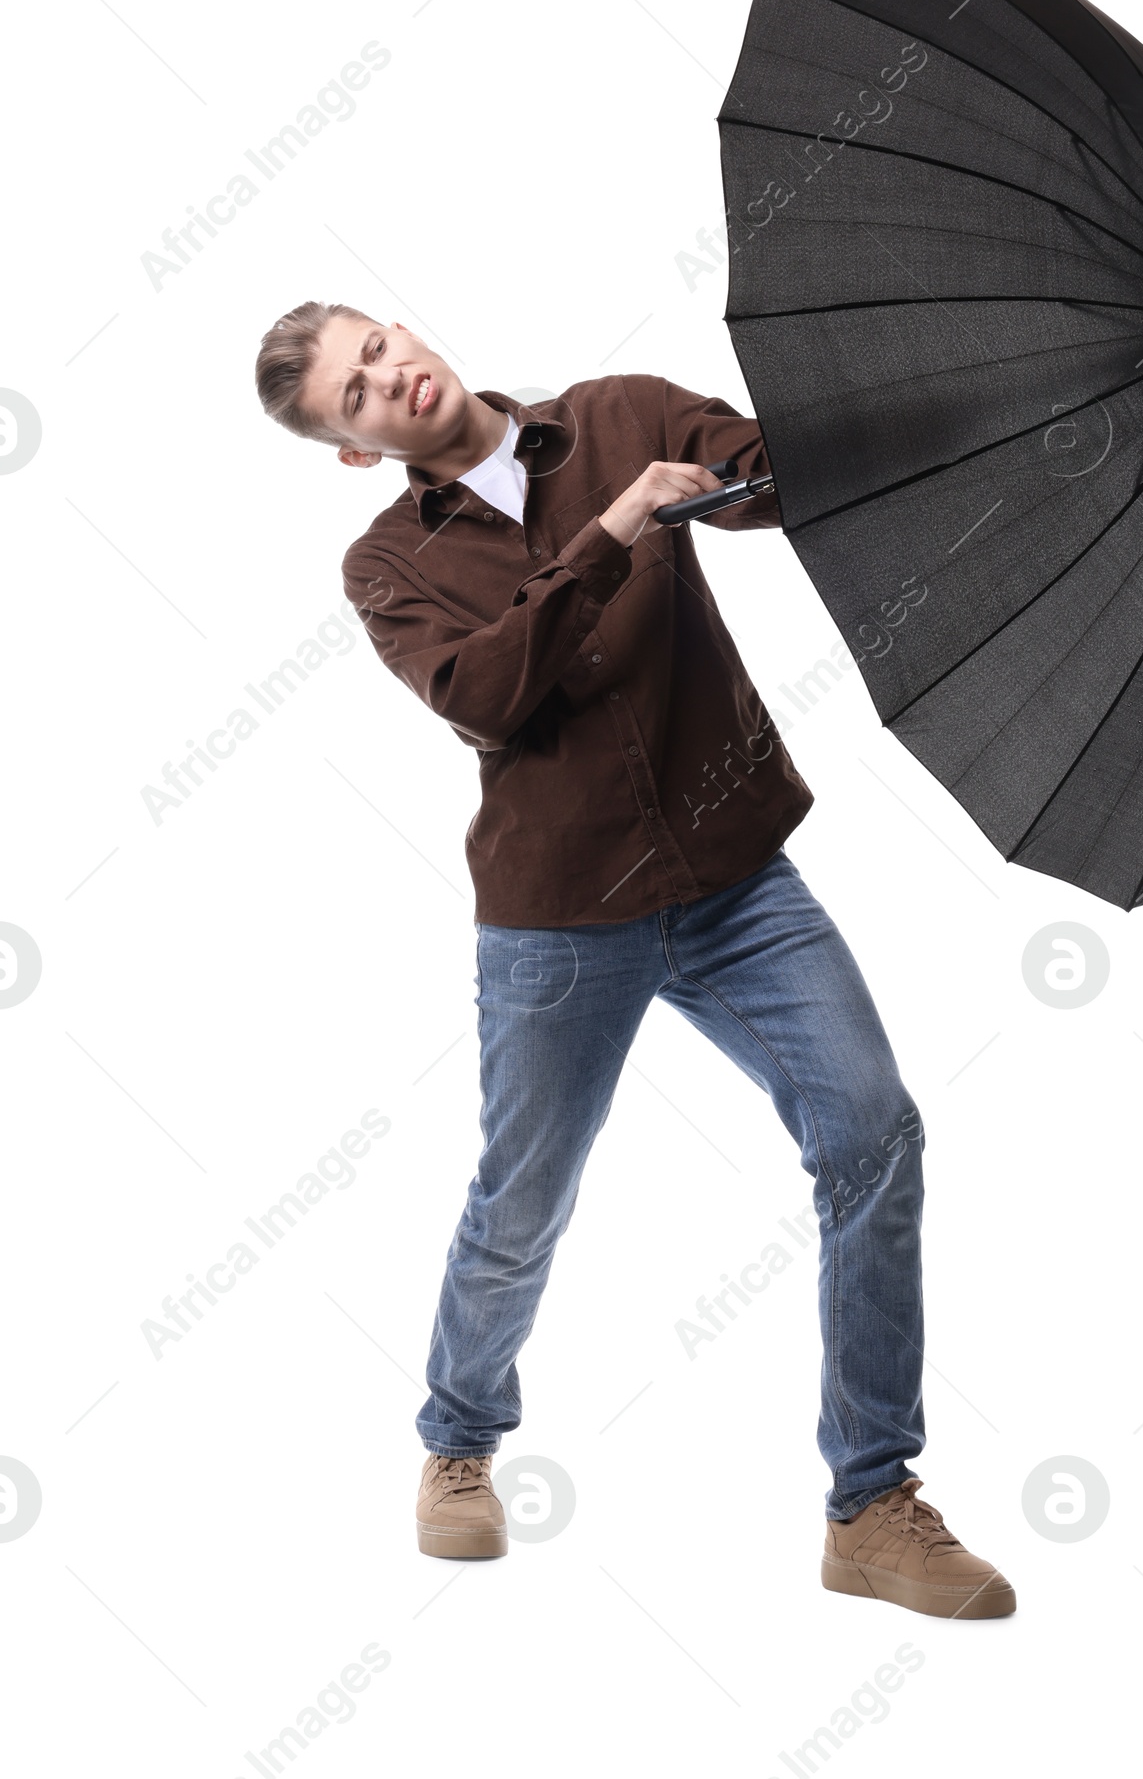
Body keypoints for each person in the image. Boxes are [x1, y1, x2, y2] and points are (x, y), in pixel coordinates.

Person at [252, 300, 1015, 1620]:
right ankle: (457, 1444)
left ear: (405, 327)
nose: (391, 380)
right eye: (356, 397)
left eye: (378, 348)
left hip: (737, 886)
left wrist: (919, 411)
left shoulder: (619, 414)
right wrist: (607, 541)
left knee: (874, 1135)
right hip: (560, 919)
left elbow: (773, 480)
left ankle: (872, 1507)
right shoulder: (386, 567)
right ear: (349, 448)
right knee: (524, 1199)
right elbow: (489, 695)